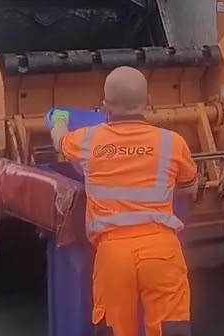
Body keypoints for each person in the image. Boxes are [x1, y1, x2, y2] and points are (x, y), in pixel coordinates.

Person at [49, 66, 198, 336]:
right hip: (161, 250)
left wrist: (58, 119)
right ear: (148, 101)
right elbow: (190, 188)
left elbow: (59, 142)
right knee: (171, 329)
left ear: (105, 106)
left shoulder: (88, 140)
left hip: (112, 254)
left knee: (115, 330)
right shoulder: (172, 143)